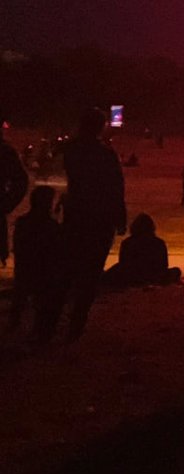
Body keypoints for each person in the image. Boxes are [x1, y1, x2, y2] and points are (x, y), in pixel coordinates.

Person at [42, 108, 127, 343]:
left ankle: (48, 325)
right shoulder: (104, 154)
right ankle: (75, 327)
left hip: (75, 215)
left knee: (65, 271)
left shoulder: (71, 150)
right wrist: (120, 217)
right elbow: (115, 187)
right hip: (98, 218)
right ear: (100, 126)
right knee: (89, 274)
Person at [8, 185, 60, 337]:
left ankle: (14, 322)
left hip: (25, 266)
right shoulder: (50, 226)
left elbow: (18, 245)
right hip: (41, 268)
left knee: (20, 295)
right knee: (40, 297)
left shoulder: (23, 222)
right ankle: (35, 328)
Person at [103, 213, 181, 287]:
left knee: (113, 271)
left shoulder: (127, 242)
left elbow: (123, 263)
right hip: (154, 275)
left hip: (132, 275)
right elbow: (164, 265)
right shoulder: (159, 243)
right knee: (176, 271)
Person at [1, 111, 31, 269]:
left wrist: (6, 204)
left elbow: (20, 180)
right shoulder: (6, 151)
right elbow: (20, 181)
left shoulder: (5, 152)